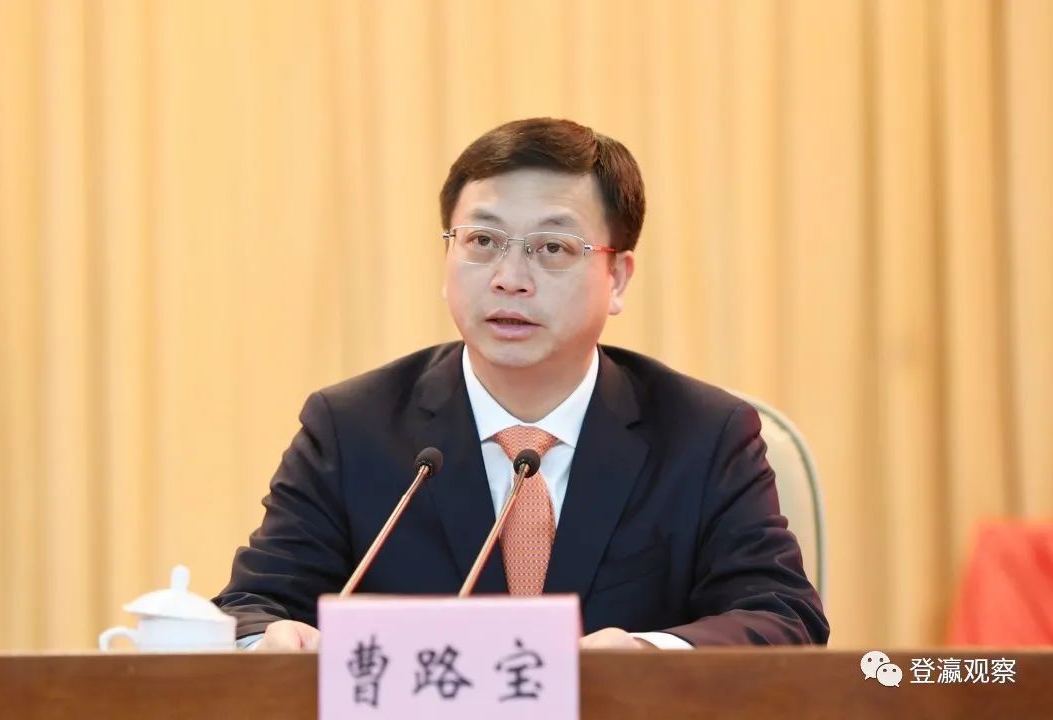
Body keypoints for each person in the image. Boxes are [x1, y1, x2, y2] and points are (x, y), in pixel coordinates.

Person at [213, 117, 829, 651]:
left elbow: (783, 617)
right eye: (482, 241)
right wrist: (271, 641)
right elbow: (250, 608)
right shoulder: (351, 429)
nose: (509, 278)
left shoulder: (703, 435)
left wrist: (649, 653)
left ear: (617, 278)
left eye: (552, 247)